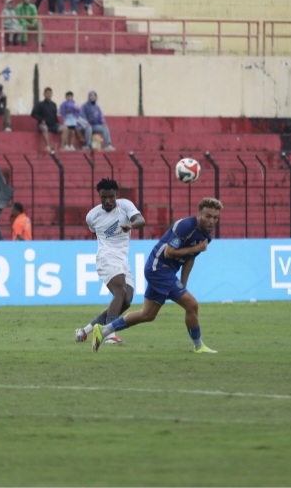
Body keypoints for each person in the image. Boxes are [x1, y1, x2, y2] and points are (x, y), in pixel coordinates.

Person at [91, 198, 224, 355]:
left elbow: (190, 258)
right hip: (158, 268)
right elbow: (169, 252)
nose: (211, 221)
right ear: (199, 214)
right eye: (208, 216)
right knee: (192, 305)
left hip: (165, 272)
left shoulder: (206, 235)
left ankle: (103, 331)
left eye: (215, 218)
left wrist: (183, 284)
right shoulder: (185, 226)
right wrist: (196, 248)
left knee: (147, 314)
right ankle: (199, 346)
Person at [74, 179, 146, 346]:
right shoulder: (92, 216)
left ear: (116, 195)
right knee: (119, 291)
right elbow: (96, 232)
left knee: (126, 300)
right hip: (106, 257)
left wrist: (130, 225)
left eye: (111, 197)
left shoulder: (125, 205)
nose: (107, 201)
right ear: (99, 196)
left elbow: (141, 220)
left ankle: (85, 331)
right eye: (103, 197)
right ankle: (109, 334)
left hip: (123, 259)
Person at [31, 87, 63, 153]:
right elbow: (33, 114)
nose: (48, 95)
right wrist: (41, 119)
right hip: (42, 125)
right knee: (44, 128)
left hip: (53, 125)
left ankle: (62, 147)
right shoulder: (40, 104)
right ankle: (48, 145)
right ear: (44, 94)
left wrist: (57, 123)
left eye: (50, 93)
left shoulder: (53, 104)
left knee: (65, 128)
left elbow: (54, 115)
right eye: (47, 93)